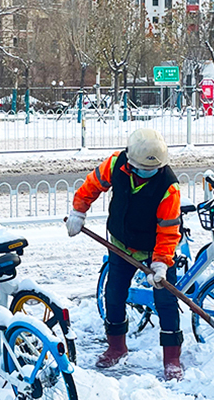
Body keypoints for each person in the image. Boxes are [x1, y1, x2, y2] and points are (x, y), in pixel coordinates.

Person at [67, 129, 184, 380]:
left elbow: (168, 230)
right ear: (131, 162)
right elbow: (91, 185)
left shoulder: (168, 188)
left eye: (151, 169)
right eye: (142, 168)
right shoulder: (115, 165)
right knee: (114, 293)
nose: (147, 173)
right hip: (121, 244)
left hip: (155, 248)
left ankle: (172, 358)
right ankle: (116, 347)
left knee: (165, 301)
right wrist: (79, 211)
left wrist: (161, 264)